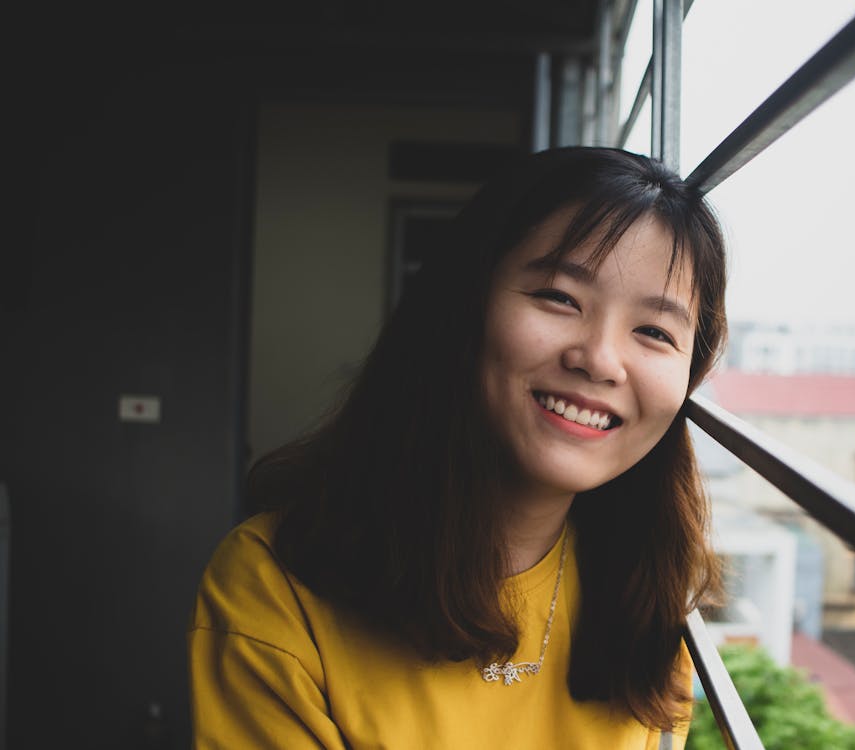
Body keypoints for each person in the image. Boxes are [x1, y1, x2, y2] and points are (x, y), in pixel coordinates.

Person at [188, 146, 729, 749]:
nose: (600, 359)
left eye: (654, 332)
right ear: (464, 305)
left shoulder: (645, 596)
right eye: (559, 297)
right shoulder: (275, 583)